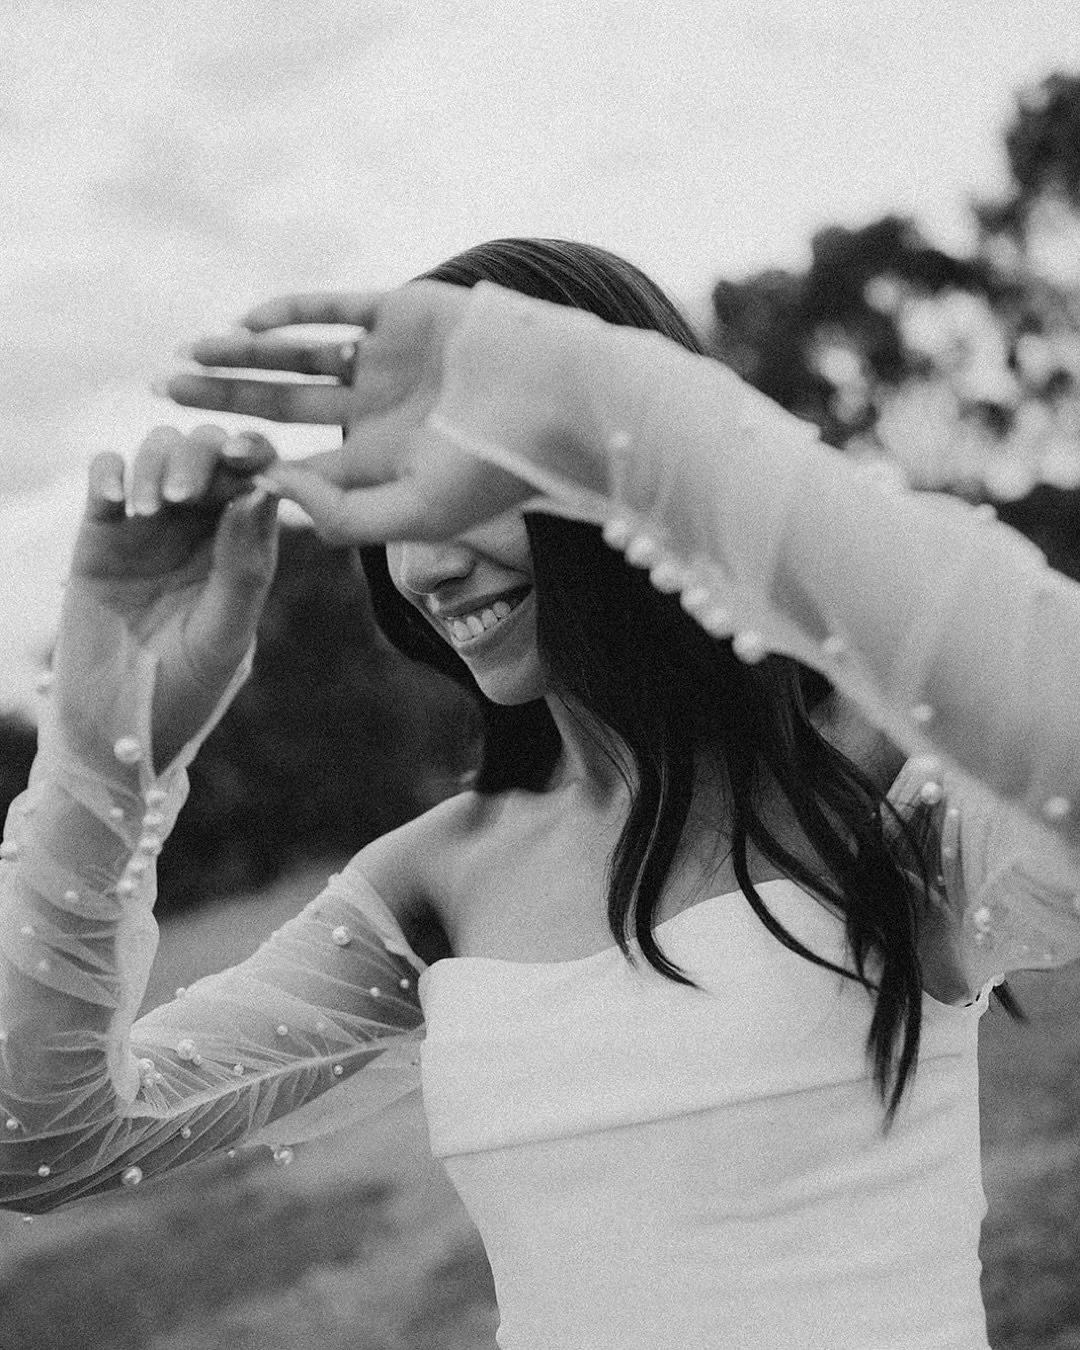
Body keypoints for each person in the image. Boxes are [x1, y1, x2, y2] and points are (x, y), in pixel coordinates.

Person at [1, 237, 1078, 1350]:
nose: (423, 571)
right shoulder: (427, 884)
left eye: (472, 481)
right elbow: (43, 1142)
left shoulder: (898, 829)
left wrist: (653, 426)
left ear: (612, 455)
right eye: (390, 501)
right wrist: (103, 754)